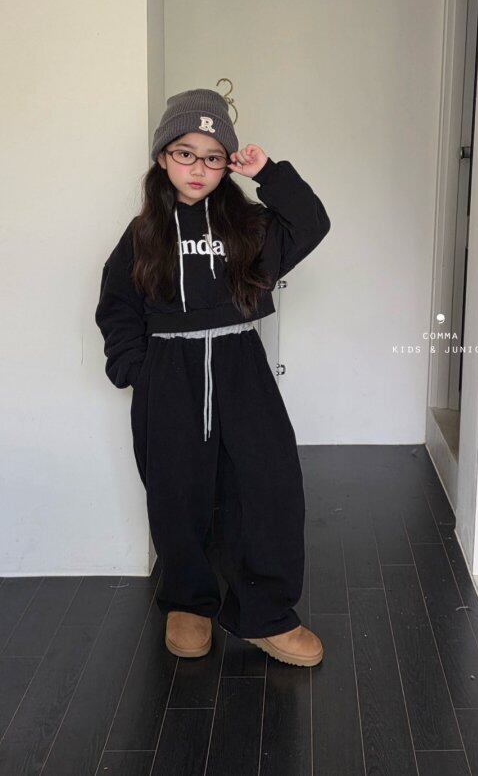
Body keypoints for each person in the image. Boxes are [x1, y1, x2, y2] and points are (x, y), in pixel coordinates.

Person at [95, 88, 330, 666]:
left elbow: (311, 223)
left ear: (227, 164)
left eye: (213, 157)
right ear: (162, 158)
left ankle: (267, 613)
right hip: (168, 374)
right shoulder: (143, 233)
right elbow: (117, 305)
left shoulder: (248, 225)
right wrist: (135, 368)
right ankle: (188, 602)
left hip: (239, 364)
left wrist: (267, 173)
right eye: (185, 154)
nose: (198, 169)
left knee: (269, 485)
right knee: (176, 491)